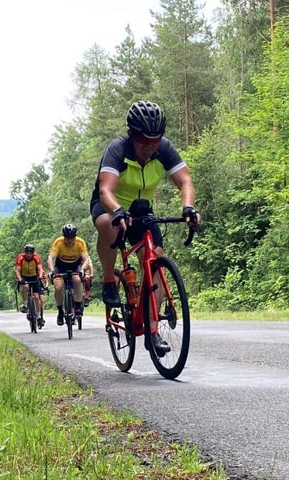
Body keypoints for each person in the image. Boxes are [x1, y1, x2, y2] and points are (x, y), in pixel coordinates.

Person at [90, 100, 200, 357]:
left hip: (141, 211)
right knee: (109, 226)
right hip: (110, 205)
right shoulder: (118, 149)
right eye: (143, 140)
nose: (150, 145)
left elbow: (185, 181)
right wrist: (117, 211)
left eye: (155, 139)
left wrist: (188, 207)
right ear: (131, 134)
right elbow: (106, 189)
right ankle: (109, 280)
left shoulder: (164, 149)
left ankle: (152, 331)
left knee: (155, 261)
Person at [47, 224, 91, 326]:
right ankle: (60, 312)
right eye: (67, 238)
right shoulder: (58, 242)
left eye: (72, 238)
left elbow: (86, 259)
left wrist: (82, 269)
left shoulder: (80, 242)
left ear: (75, 237)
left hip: (75, 265)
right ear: (64, 237)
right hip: (60, 266)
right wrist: (52, 271)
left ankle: (77, 305)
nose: (69, 241)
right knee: (58, 287)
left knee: (77, 280)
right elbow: (50, 258)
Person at [14, 243, 47, 328]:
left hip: (34, 276)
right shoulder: (20, 257)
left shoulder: (36, 257)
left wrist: (40, 277)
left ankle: (39, 316)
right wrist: (20, 279)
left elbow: (40, 269)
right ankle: (25, 305)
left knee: (36, 296)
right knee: (25, 286)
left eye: (30, 253)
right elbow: (17, 270)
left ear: (33, 253)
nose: (29, 255)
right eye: (27, 253)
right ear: (25, 252)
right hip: (24, 276)